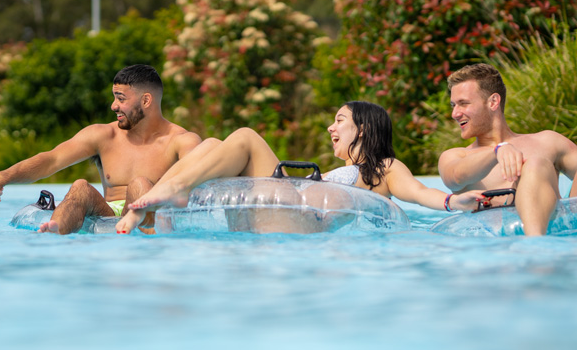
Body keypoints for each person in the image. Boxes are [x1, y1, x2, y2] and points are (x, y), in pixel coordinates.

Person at [115, 101, 485, 233]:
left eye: (340, 121)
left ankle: (169, 191)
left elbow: (419, 193)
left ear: (364, 129)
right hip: (279, 214)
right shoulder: (334, 173)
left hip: (304, 222)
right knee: (212, 143)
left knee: (244, 135)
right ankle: (162, 195)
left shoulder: (383, 167)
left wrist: (455, 203)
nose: (330, 127)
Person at [0, 65, 202, 234]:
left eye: (121, 99)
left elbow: (203, 183)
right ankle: (52, 236)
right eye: (114, 98)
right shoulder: (104, 135)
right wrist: (1, 178)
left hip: (153, 218)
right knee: (80, 187)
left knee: (139, 184)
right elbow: (51, 160)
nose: (114, 106)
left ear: (146, 101)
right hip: (108, 217)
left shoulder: (181, 141)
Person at [438, 63, 577, 236]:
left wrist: (572, 209)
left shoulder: (548, 141)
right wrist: (497, 151)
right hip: (495, 251)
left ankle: (536, 245)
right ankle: (536, 247)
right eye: (453, 105)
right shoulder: (455, 156)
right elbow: (456, 176)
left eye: (463, 103)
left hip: (555, 236)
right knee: (534, 163)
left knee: (535, 164)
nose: (455, 114)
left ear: (493, 102)